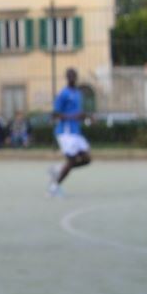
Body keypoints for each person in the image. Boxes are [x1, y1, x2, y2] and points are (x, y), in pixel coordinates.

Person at [48, 68, 92, 197]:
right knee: (72, 160)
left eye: (74, 76)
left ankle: (59, 169)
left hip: (76, 132)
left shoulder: (78, 93)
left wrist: (87, 117)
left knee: (87, 159)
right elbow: (55, 114)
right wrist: (74, 116)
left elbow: (78, 113)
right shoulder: (63, 94)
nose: (72, 78)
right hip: (65, 132)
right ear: (67, 78)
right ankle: (54, 186)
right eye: (70, 76)